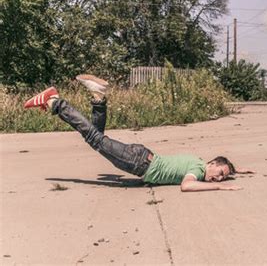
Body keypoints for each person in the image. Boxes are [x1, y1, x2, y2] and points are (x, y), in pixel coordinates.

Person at [23, 75, 254, 192]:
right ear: (211, 163)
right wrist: (221, 187)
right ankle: (55, 102)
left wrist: (236, 170)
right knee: (94, 138)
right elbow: (187, 186)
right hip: (138, 163)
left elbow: (223, 166)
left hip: (141, 156)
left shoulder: (198, 160)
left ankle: (98, 98)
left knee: (95, 135)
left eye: (222, 177)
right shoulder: (196, 170)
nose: (218, 177)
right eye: (219, 172)